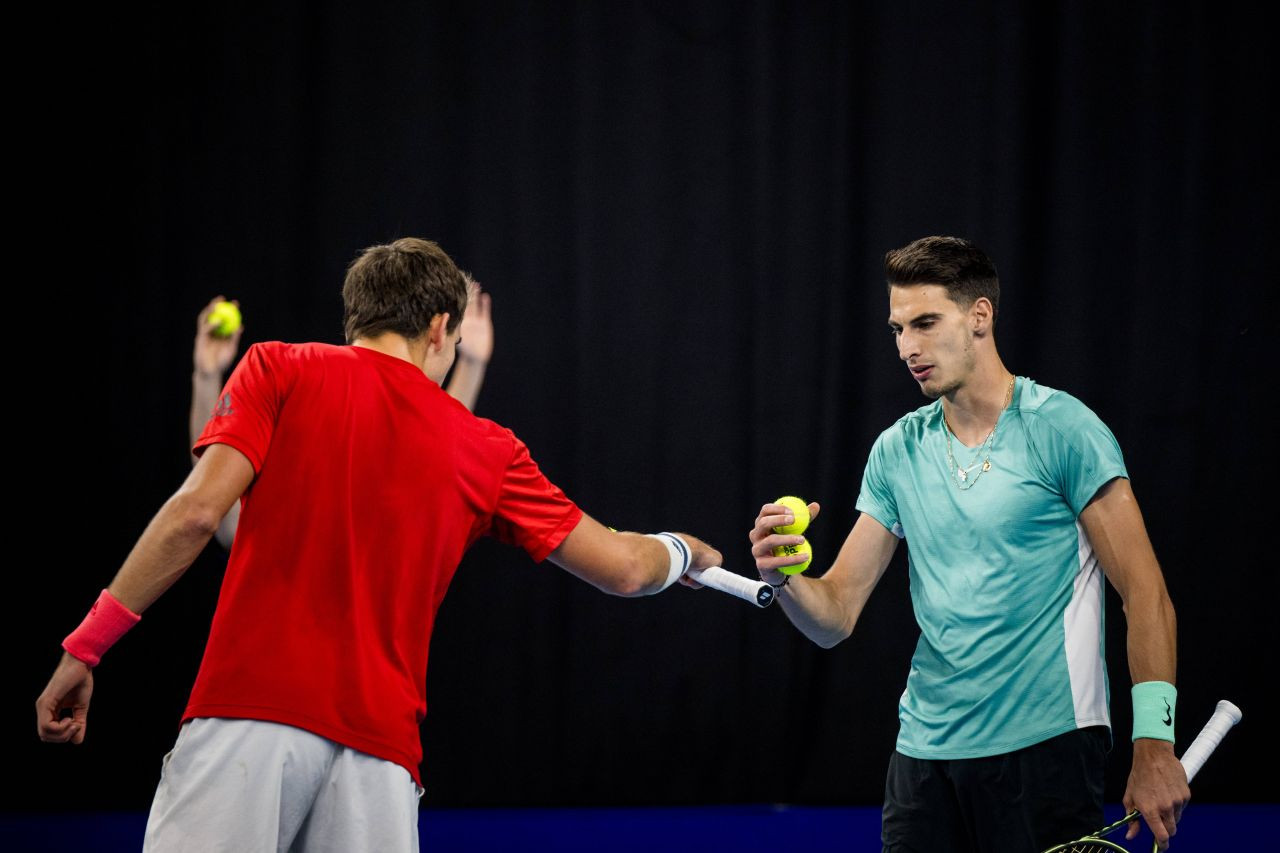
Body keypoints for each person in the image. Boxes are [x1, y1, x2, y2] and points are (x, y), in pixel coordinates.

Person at [37, 237, 722, 852]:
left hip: (247, 726)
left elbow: (196, 515)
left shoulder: (277, 367)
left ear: (357, 318)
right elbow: (629, 568)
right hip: (380, 768)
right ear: (440, 328)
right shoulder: (488, 447)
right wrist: (685, 551)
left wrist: (86, 645)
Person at [749, 236, 1187, 852]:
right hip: (923, 759)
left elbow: (1147, 596)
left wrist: (1155, 745)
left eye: (926, 323)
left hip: (1047, 750)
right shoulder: (897, 449)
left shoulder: (1064, 430)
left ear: (980, 315)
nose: (907, 347)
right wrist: (783, 579)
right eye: (898, 329)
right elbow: (835, 617)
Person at [189, 278, 496, 549]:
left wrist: (471, 364)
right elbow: (219, 514)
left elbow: (438, 437)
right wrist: (206, 376)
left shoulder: (396, 484)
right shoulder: (285, 379)